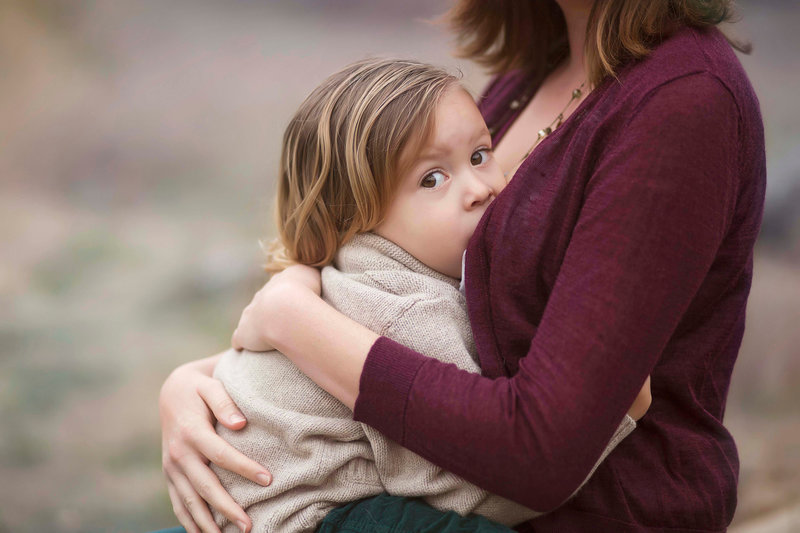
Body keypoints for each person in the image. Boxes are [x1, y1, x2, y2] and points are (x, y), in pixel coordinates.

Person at [159, 0, 766, 532]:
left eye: (480, 158)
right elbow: (397, 297)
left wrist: (292, 319)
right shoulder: (535, 71)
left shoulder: (682, 100)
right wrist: (196, 380)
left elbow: (537, 452)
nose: (480, 185)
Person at [203, 57, 644, 533]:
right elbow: (480, 490)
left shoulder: (372, 274)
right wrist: (616, 414)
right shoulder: (404, 310)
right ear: (356, 214)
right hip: (309, 517)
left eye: (479, 155)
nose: (480, 189)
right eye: (431, 179)